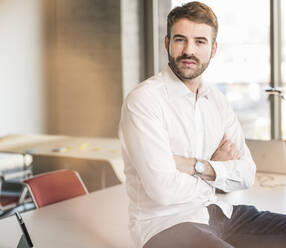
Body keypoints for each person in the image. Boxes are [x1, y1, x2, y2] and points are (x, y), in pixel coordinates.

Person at [119, 2, 286, 247]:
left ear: (213, 48)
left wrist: (194, 166)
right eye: (180, 40)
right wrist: (216, 170)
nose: (189, 50)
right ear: (167, 43)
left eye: (199, 41)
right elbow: (163, 191)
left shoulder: (217, 102)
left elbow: (247, 174)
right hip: (165, 224)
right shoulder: (144, 100)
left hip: (218, 212)